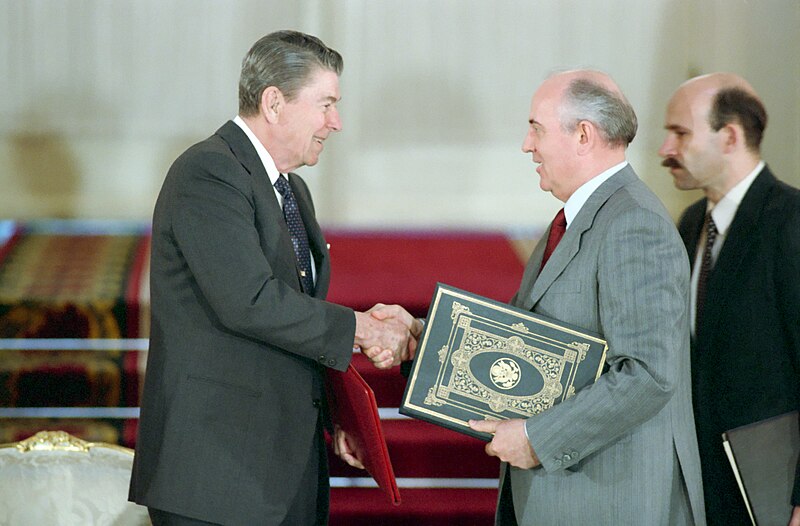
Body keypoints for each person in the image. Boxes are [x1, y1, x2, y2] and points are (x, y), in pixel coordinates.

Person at [128, 30, 416, 525]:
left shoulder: (291, 190)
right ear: (275, 102)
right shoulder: (209, 173)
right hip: (215, 476)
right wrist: (363, 329)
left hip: (283, 468)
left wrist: (334, 414)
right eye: (325, 104)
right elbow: (250, 301)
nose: (336, 122)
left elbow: (289, 321)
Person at [462, 70, 706, 525]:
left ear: (583, 135)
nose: (526, 144)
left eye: (536, 128)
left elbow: (648, 373)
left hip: (615, 502)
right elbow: (517, 336)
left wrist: (538, 438)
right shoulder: (578, 218)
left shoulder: (634, 224)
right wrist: (420, 341)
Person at [659, 73, 800, 526]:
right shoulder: (690, 222)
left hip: (769, 490)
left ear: (730, 137)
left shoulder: (790, 222)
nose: (666, 149)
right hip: (703, 487)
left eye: (680, 133)